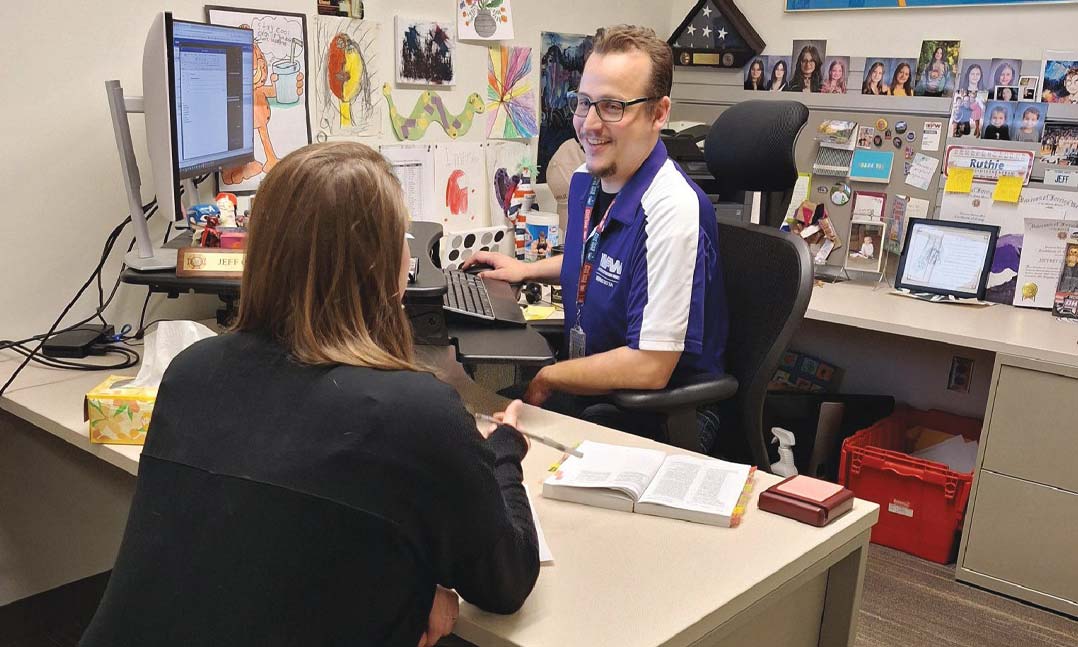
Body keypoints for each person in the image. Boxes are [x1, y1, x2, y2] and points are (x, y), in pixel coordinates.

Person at [80, 142, 540, 647]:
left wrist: (401, 587)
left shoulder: (193, 371)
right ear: (381, 267)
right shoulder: (417, 413)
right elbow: (506, 582)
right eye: (402, 237)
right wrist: (503, 448)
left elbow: (258, 549)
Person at [462, 25, 728, 445]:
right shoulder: (589, 178)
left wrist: (550, 377)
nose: (589, 123)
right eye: (584, 102)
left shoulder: (672, 208)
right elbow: (598, 258)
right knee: (470, 404)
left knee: (500, 450)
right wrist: (525, 271)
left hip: (658, 413)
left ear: (659, 114)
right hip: (595, 388)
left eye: (612, 107)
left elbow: (651, 365)